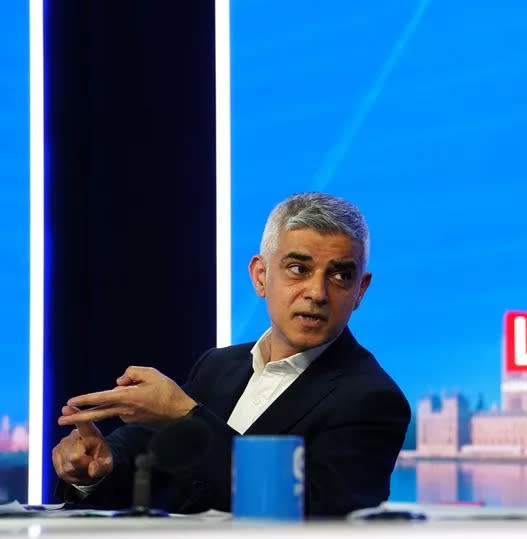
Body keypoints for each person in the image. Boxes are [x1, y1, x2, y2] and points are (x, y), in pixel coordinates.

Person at [52, 192, 411, 517]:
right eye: (299, 269)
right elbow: (151, 460)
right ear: (260, 276)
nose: (317, 292)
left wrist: (183, 415)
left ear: (360, 290)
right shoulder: (218, 366)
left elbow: (319, 511)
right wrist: (95, 467)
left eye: (340, 276)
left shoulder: (372, 399)